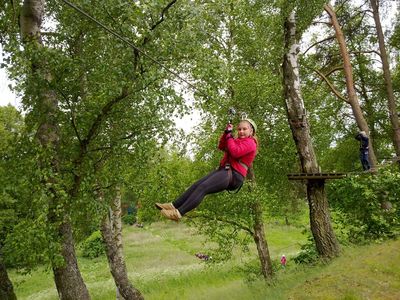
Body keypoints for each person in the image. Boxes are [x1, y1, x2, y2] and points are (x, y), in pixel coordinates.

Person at [155, 119, 258, 221]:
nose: (241, 131)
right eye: (239, 129)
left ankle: (178, 213)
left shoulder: (251, 143)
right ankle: (173, 205)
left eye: (244, 129)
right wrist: (226, 133)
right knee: (197, 185)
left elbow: (235, 152)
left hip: (234, 175)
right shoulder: (236, 141)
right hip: (225, 170)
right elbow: (222, 146)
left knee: (203, 187)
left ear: (251, 131)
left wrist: (230, 136)